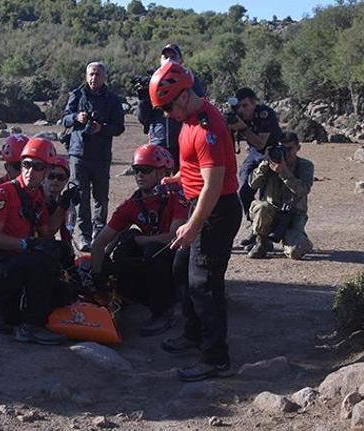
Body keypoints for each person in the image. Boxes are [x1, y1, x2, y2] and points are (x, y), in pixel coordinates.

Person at [148, 61, 243, 381]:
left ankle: (216, 357)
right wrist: (178, 179)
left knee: (204, 283)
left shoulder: (207, 127)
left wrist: (193, 225)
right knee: (181, 270)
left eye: (167, 106)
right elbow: (198, 170)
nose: (165, 114)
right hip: (200, 204)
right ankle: (193, 333)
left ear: (184, 96)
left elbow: (214, 186)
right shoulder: (188, 118)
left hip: (215, 211)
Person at [89, 144, 188, 336]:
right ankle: (138, 296)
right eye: (136, 170)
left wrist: (140, 241)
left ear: (164, 172)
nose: (140, 175)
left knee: (151, 249)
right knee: (125, 244)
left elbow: (174, 236)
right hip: (154, 260)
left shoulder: (178, 196)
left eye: (146, 170)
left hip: (178, 257)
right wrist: (97, 274)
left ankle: (163, 312)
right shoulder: (133, 205)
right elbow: (100, 243)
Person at [0, 137, 69, 345]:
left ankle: (19, 311)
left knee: (62, 282)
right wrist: (26, 244)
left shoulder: (36, 198)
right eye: (26, 165)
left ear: (46, 171)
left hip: (18, 264)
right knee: (41, 260)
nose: (30, 171)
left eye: (37, 167)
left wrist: (63, 206)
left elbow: (47, 233)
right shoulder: (3, 193)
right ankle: (30, 327)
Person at [61, 62, 125, 251]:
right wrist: (76, 118)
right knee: (80, 196)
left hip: (101, 156)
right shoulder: (77, 95)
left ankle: (99, 233)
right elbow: (64, 118)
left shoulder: (112, 99)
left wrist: (102, 128)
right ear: (86, 75)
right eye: (90, 74)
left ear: (104, 77)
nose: (93, 78)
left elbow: (119, 127)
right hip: (78, 153)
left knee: (101, 197)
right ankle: (84, 235)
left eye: (97, 74)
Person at [226, 87, 283, 249]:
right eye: (239, 107)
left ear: (254, 104)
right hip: (254, 154)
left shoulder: (265, 114)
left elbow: (261, 143)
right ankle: (254, 227)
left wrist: (242, 127)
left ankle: (264, 234)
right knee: (244, 190)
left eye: (245, 106)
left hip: (272, 151)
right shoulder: (237, 117)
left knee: (267, 195)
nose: (242, 110)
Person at [135, 43, 206, 170]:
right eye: (165, 57)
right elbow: (143, 118)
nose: (169, 60)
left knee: (184, 183)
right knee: (158, 185)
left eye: (173, 56)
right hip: (158, 143)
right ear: (160, 60)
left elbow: (199, 106)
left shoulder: (189, 79)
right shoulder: (154, 81)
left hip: (183, 141)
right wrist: (144, 99)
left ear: (181, 60)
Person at [247, 132, 314, 260]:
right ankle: (262, 242)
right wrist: (264, 165)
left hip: (293, 215)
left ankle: (299, 239)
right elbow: (253, 185)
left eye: (290, 149)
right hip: (270, 211)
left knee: (295, 252)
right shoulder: (270, 163)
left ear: (298, 148)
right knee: (262, 207)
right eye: (282, 149)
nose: (286, 153)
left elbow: (302, 190)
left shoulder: (305, 166)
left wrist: (284, 172)